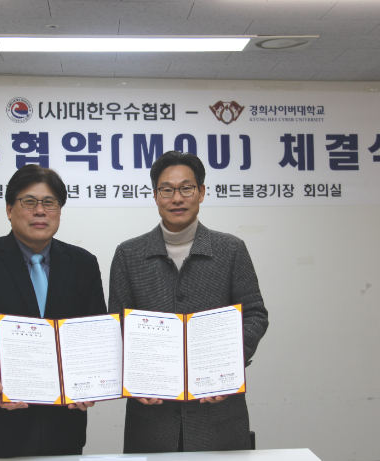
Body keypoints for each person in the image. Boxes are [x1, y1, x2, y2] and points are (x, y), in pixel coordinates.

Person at [109, 151, 268, 453]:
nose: (177, 198)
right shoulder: (129, 254)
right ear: (155, 195)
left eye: (186, 188)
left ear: (202, 192)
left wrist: (229, 364)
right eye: (167, 190)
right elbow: (116, 325)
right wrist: (133, 375)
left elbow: (255, 314)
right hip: (152, 417)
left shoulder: (231, 249)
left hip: (218, 412)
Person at [0, 164, 107, 458]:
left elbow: (95, 332)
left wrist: (91, 381)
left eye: (49, 203)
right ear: (9, 209)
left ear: (59, 210)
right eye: (29, 202)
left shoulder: (83, 263)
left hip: (62, 427)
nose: (40, 211)